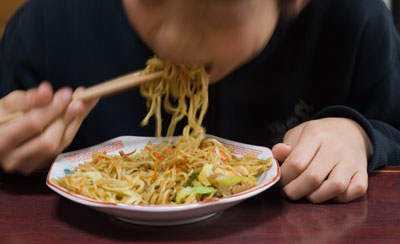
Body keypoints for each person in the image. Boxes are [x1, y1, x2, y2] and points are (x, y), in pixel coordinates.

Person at [0, 0, 399, 203]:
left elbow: (392, 128)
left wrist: (361, 135)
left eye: (220, 8)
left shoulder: (351, 22)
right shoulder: (52, 24)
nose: (174, 39)